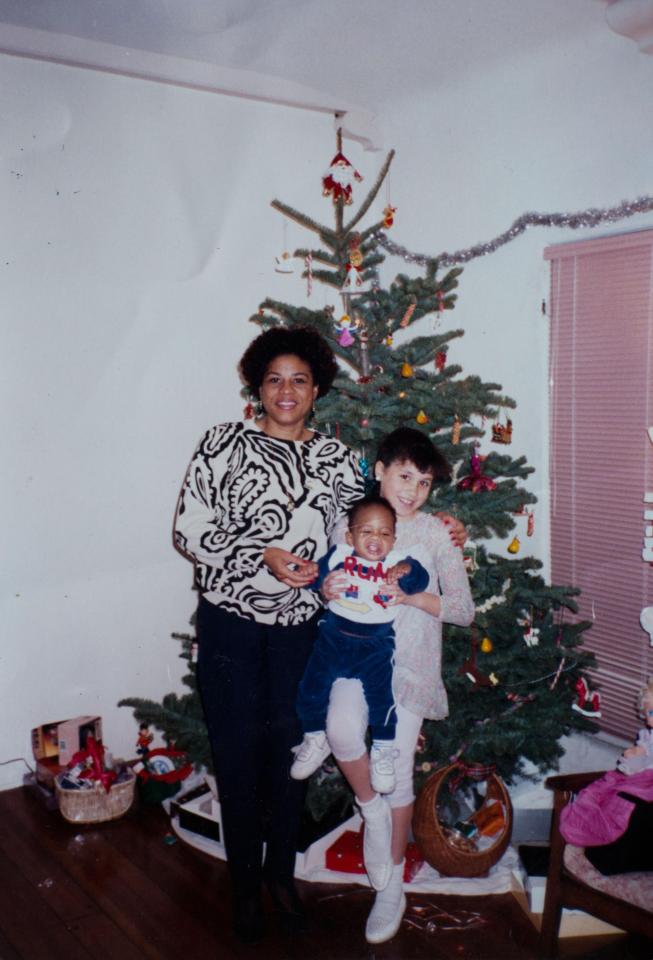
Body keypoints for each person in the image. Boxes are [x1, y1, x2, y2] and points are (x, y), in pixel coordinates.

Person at [173, 326, 365, 943]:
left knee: (290, 760)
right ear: (258, 387)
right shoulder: (223, 443)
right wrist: (264, 554)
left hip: (300, 635)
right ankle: (244, 890)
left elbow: (364, 536)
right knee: (236, 757)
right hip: (229, 626)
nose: (287, 390)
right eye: (275, 378)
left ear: (317, 391)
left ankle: (281, 877)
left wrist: (436, 532)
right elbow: (189, 529)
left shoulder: (338, 460)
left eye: (300, 379)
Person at [323, 427, 476, 944]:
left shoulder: (435, 533)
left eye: (425, 482)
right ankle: (371, 811)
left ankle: (389, 887)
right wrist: (328, 586)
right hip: (353, 660)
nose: (412, 490)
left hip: (408, 670)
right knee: (342, 731)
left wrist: (408, 598)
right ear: (379, 470)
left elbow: (462, 610)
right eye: (404, 475)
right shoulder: (351, 523)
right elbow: (331, 585)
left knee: (400, 778)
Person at [291, 493, 429, 797]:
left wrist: (407, 570)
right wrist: (321, 583)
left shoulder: (396, 563)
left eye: (384, 533)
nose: (376, 539)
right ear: (350, 535)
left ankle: (382, 748)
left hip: (376, 646)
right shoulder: (339, 554)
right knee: (310, 688)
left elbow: (420, 579)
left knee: (382, 698)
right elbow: (315, 576)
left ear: (394, 539)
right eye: (367, 531)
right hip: (333, 640)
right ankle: (315, 737)